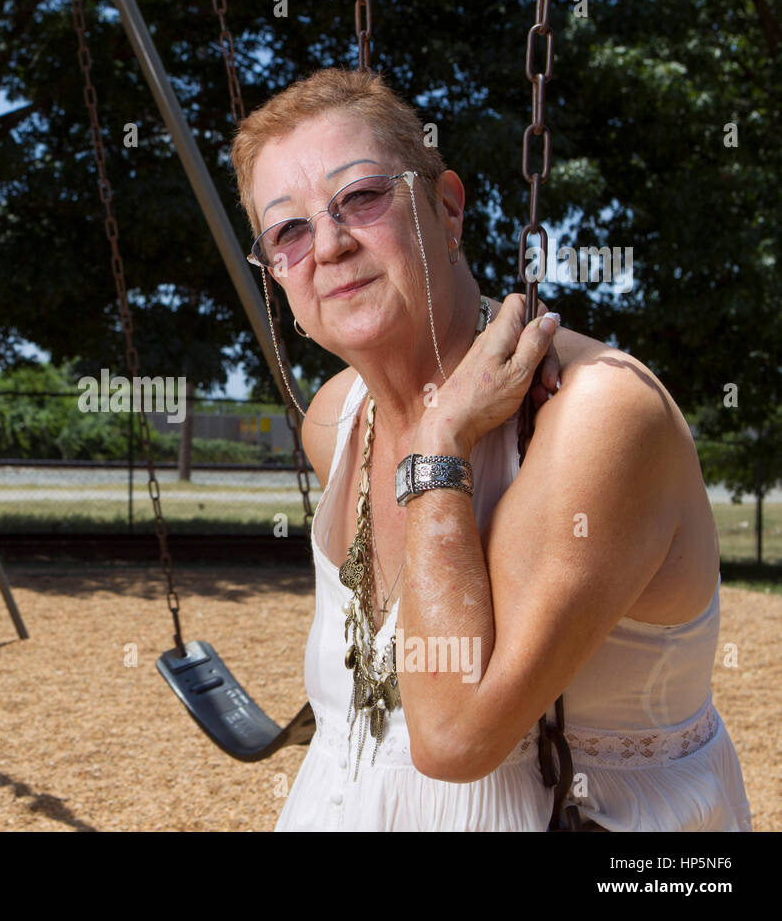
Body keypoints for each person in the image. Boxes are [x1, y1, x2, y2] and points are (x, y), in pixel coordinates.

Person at [229, 67, 752, 831]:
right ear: (275, 272)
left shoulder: (595, 415)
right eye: (290, 231)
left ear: (444, 210)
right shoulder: (336, 420)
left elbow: (452, 737)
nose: (331, 245)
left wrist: (441, 444)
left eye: (363, 198)